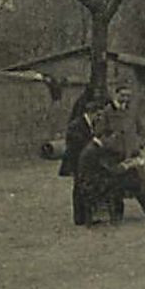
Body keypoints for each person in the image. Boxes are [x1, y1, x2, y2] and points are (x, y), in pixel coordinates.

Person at [75, 125, 145, 224]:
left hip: (96, 181)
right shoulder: (95, 150)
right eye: (111, 138)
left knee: (132, 175)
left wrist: (127, 164)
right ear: (103, 137)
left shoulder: (95, 147)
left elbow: (109, 168)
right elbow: (113, 170)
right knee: (133, 178)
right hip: (94, 184)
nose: (112, 142)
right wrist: (128, 165)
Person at [104, 85, 145, 218]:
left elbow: (139, 128)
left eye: (128, 96)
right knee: (119, 183)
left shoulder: (131, 110)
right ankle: (118, 212)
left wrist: (139, 142)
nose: (125, 99)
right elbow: (103, 132)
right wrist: (112, 143)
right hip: (117, 153)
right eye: (122, 95)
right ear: (115, 94)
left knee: (141, 178)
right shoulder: (108, 111)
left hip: (133, 150)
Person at [60, 93, 101, 225]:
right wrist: (92, 141)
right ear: (91, 113)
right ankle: (79, 218)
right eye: (97, 114)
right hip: (75, 160)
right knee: (79, 187)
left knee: (85, 186)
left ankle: (86, 216)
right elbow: (75, 143)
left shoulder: (91, 124)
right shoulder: (76, 124)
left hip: (85, 159)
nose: (98, 117)